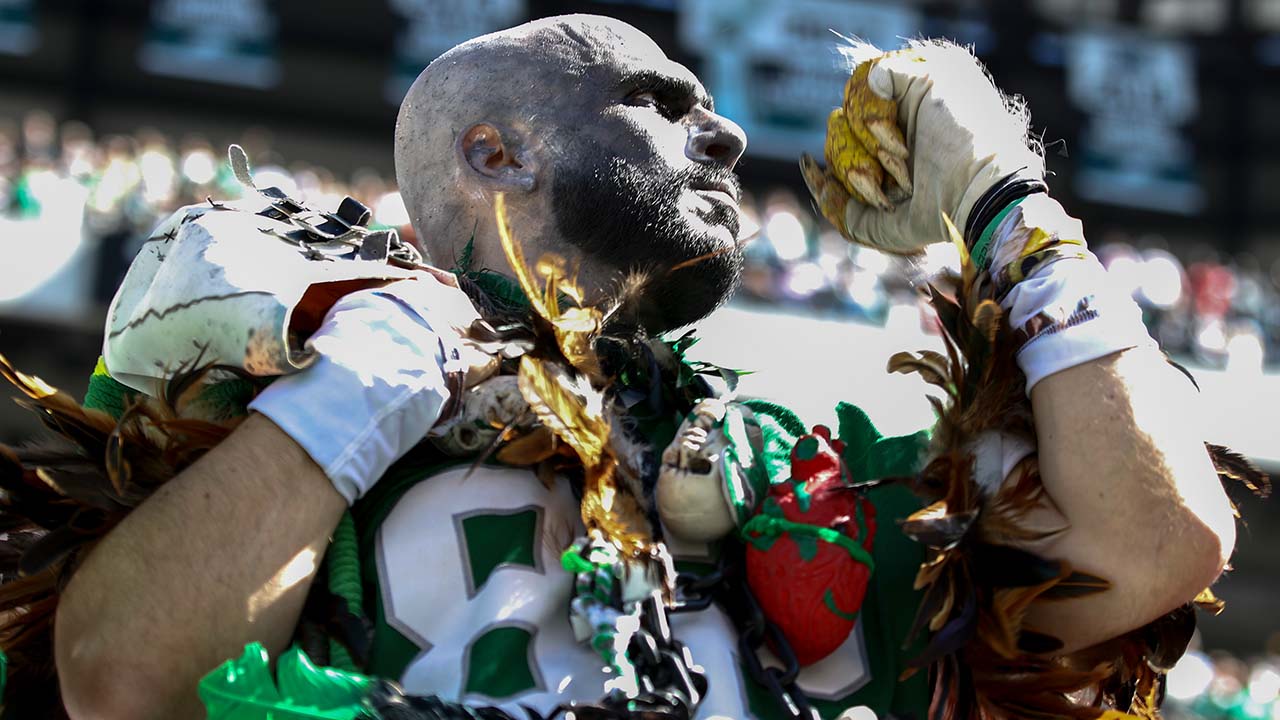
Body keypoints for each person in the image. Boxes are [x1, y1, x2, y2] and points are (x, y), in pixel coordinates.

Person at [44, 14, 1236, 720]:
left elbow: (1156, 544)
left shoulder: (782, 465)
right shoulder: (300, 362)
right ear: (494, 151)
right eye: (658, 103)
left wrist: (1003, 202)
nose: (720, 137)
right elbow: (117, 672)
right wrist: (375, 373)